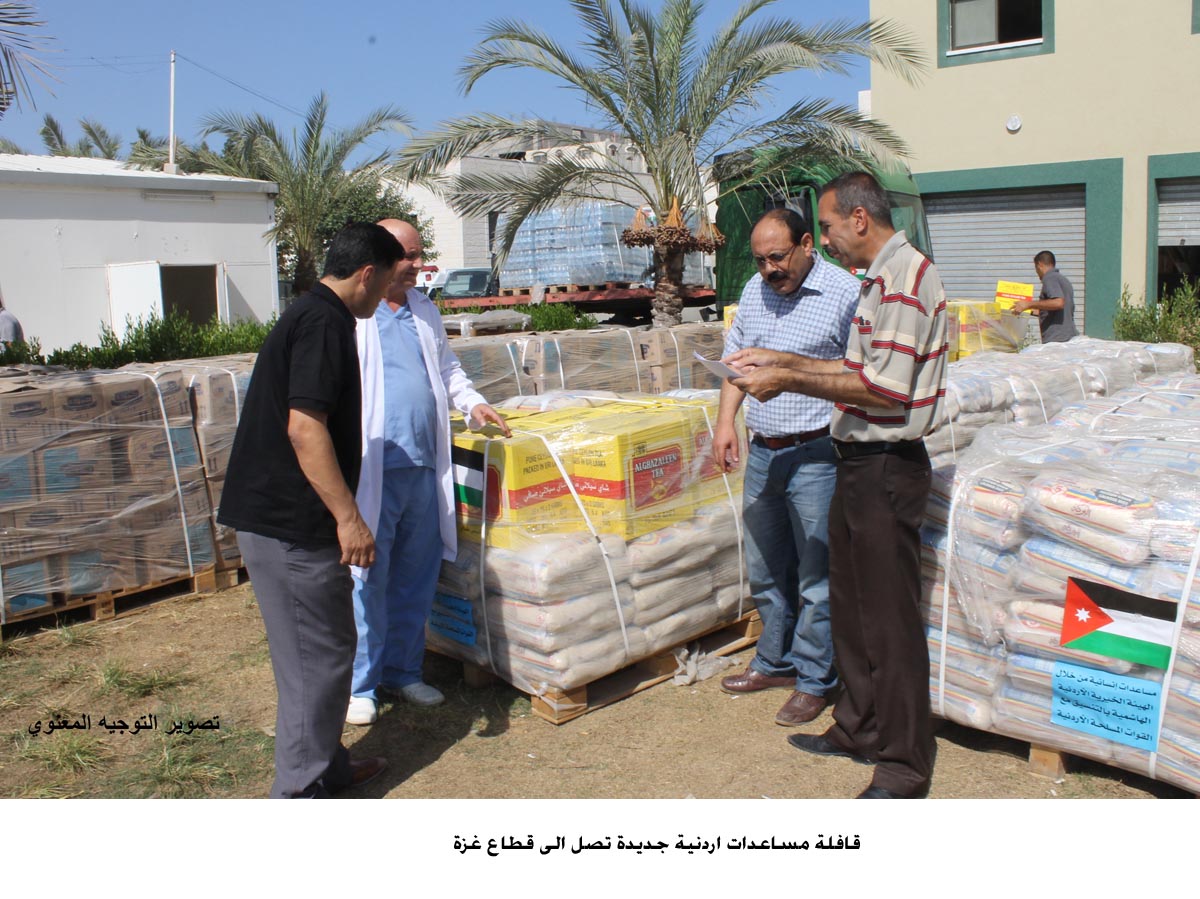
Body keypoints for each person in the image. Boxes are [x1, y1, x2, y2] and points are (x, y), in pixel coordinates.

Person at [725, 172, 949, 798]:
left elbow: (884, 388)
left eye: (824, 226)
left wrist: (787, 380)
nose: (824, 240)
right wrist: (783, 360)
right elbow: (854, 367)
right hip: (854, 462)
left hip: (886, 465)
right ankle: (858, 727)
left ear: (858, 218)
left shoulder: (904, 280)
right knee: (851, 609)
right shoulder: (880, 277)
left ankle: (904, 764)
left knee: (888, 621)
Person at [217, 222, 405, 798]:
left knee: (328, 649)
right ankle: (299, 793)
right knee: (314, 662)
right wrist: (350, 518)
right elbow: (305, 428)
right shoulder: (323, 322)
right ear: (367, 273)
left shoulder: (316, 314)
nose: (388, 295)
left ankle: (328, 765)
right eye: (388, 281)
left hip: (290, 523)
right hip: (292, 527)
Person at [346, 219, 510, 726]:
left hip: (423, 465)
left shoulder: (424, 308)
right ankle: (361, 684)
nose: (419, 266)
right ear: (379, 259)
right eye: (410, 257)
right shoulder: (354, 315)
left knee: (416, 573)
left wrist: (473, 403)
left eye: (420, 255)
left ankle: (403, 671)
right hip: (373, 468)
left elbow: (447, 369)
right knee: (367, 577)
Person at [711, 207, 860, 727]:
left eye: (777, 257)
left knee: (817, 574)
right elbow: (734, 363)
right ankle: (774, 661)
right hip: (764, 450)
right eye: (760, 261)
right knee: (766, 566)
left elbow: (861, 370)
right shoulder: (755, 291)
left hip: (818, 453)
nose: (770, 269)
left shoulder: (844, 293)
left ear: (806, 244)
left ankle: (816, 678)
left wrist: (793, 373)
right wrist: (725, 424)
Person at [1010, 250, 1078, 342]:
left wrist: (1028, 304)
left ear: (1039, 265)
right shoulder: (1063, 280)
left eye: (1035, 268)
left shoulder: (1050, 278)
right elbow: (1054, 310)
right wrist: (1029, 310)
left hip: (1057, 340)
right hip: (1068, 337)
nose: (1036, 272)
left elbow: (1059, 303)